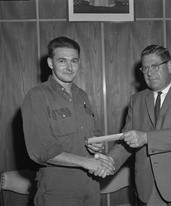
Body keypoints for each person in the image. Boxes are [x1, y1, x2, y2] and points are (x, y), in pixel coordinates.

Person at [106, 45, 171, 206]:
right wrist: (109, 162)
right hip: (147, 188)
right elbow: (127, 140)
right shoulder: (136, 100)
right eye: (145, 68)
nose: (150, 73)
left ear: (170, 66)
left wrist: (145, 138)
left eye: (155, 66)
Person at [21, 36, 114, 206]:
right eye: (62, 61)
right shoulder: (37, 96)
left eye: (74, 61)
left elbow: (94, 133)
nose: (69, 67)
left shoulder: (82, 95)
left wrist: (96, 146)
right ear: (50, 63)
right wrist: (87, 162)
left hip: (91, 186)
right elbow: (40, 151)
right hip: (58, 190)